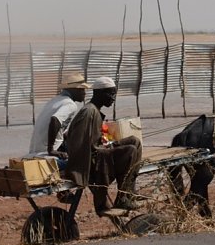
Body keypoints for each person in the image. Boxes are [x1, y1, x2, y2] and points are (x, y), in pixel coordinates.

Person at [65, 76, 143, 215]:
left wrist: (107, 144)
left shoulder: (93, 110)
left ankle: (129, 191)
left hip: (98, 151)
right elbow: (78, 145)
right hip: (91, 160)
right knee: (130, 151)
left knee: (134, 141)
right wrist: (103, 149)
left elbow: (93, 139)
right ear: (99, 93)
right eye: (111, 94)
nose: (113, 98)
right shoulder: (89, 112)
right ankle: (122, 197)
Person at [27, 71, 89, 164]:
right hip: (45, 153)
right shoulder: (70, 104)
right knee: (82, 163)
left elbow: (59, 129)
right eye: (82, 90)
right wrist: (51, 149)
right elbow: (55, 120)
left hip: (35, 150)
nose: (84, 93)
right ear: (74, 90)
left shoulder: (55, 100)